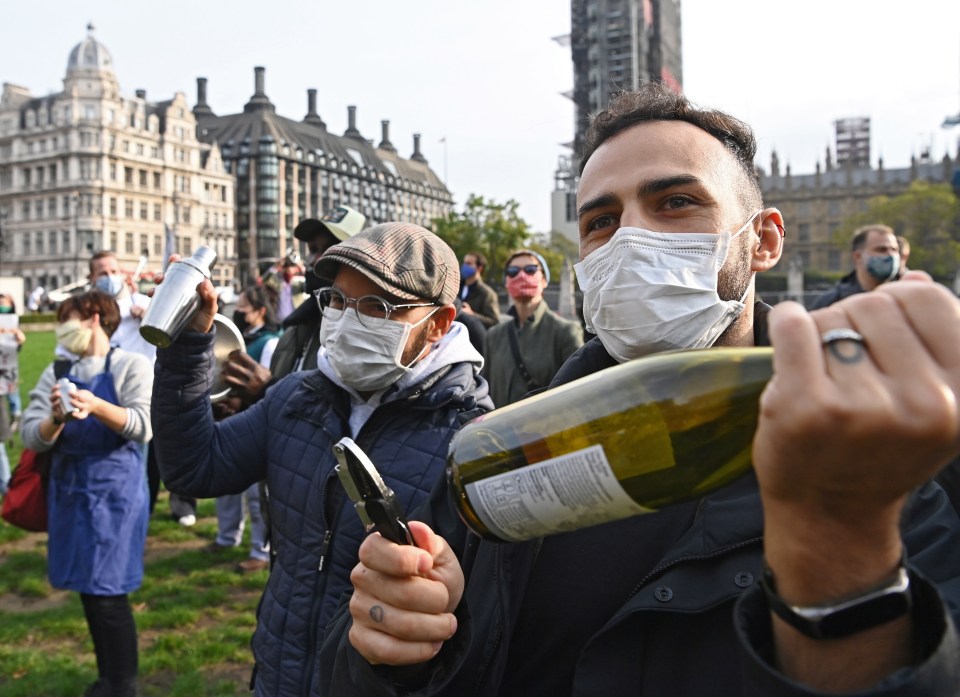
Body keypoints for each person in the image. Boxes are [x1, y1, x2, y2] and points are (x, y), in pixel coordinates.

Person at [319, 83, 960, 696]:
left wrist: (843, 564)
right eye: (601, 220)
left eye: (675, 202)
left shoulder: (889, 492)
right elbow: (393, 664)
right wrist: (402, 651)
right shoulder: (501, 451)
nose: (629, 237)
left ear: (763, 240)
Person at [152, 222, 492, 696]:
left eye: (377, 307)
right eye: (337, 300)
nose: (349, 320)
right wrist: (188, 349)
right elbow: (193, 467)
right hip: (278, 674)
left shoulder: (474, 441)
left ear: (437, 323)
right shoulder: (295, 397)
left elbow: (482, 623)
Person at [22, 289, 153, 697]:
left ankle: (122, 685)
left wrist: (97, 407)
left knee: (109, 595)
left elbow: (143, 425)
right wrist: (55, 419)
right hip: (71, 495)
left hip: (115, 497)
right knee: (88, 591)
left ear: (94, 317)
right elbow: (31, 433)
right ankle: (107, 680)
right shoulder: (56, 370)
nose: (64, 327)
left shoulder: (131, 365)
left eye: (69, 317)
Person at [207, 285, 281, 573]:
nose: (238, 312)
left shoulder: (270, 342)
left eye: (244, 308)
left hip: (253, 420)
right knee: (225, 485)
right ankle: (227, 537)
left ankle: (259, 551)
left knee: (255, 493)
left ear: (261, 311)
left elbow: (262, 384)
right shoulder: (235, 337)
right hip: (229, 417)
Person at [481, 249, 583, 406]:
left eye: (530, 270)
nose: (521, 276)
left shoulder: (565, 332)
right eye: (513, 272)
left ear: (544, 280)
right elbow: (484, 392)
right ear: (507, 281)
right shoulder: (494, 336)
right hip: (498, 428)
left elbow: (578, 396)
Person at [811, 224, 901, 309]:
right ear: (858, 256)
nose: (890, 255)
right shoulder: (831, 302)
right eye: (881, 250)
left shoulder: (906, 298)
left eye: (894, 250)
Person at [459, 251, 500, 328]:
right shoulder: (456, 287)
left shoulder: (487, 293)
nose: (464, 266)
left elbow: (494, 321)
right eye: (464, 263)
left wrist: (472, 314)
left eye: (469, 263)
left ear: (479, 268)